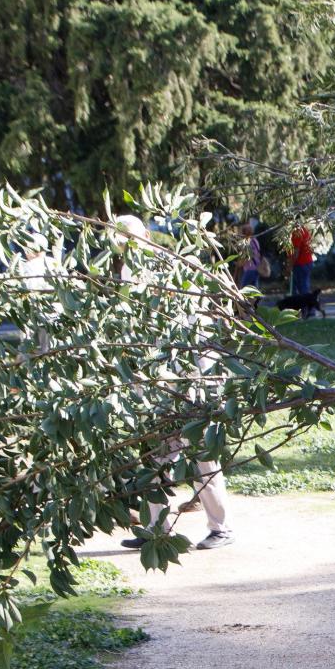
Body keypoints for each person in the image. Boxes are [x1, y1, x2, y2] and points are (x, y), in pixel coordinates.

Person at [107, 214, 235, 552]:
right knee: (154, 454)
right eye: (119, 240)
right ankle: (154, 529)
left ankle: (220, 528)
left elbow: (194, 325)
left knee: (202, 453)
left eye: (129, 237)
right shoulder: (124, 274)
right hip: (153, 382)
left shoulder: (170, 267)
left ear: (146, 235)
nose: (125, 244)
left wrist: (202, 379)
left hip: (187, 375)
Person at [290, 223, 316, 296]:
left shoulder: (297, 232)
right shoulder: (304, 230)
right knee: (304, 286)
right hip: (307, 262)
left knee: (301, 288)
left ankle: (303, 306)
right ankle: (304, 305)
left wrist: (290, 265)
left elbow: (296, 252)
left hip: (300, 263)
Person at [237, 223, 265, 290]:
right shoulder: (255, 241)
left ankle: (243, 300)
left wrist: (239, 264)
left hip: (249, 269)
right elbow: (258, 254)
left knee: (242, 290)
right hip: (256, 268)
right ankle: (257, 299)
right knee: (254, 290)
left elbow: (246, 257)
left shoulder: (246, 242)